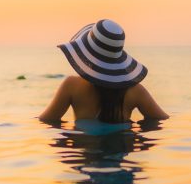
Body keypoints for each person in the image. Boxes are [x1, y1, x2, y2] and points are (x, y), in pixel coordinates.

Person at [39, 19, 169, 123]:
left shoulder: (72, 86)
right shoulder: (135, 91)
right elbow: (161, 119)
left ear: (87, 52)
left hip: (84, 153)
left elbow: (47, 120)